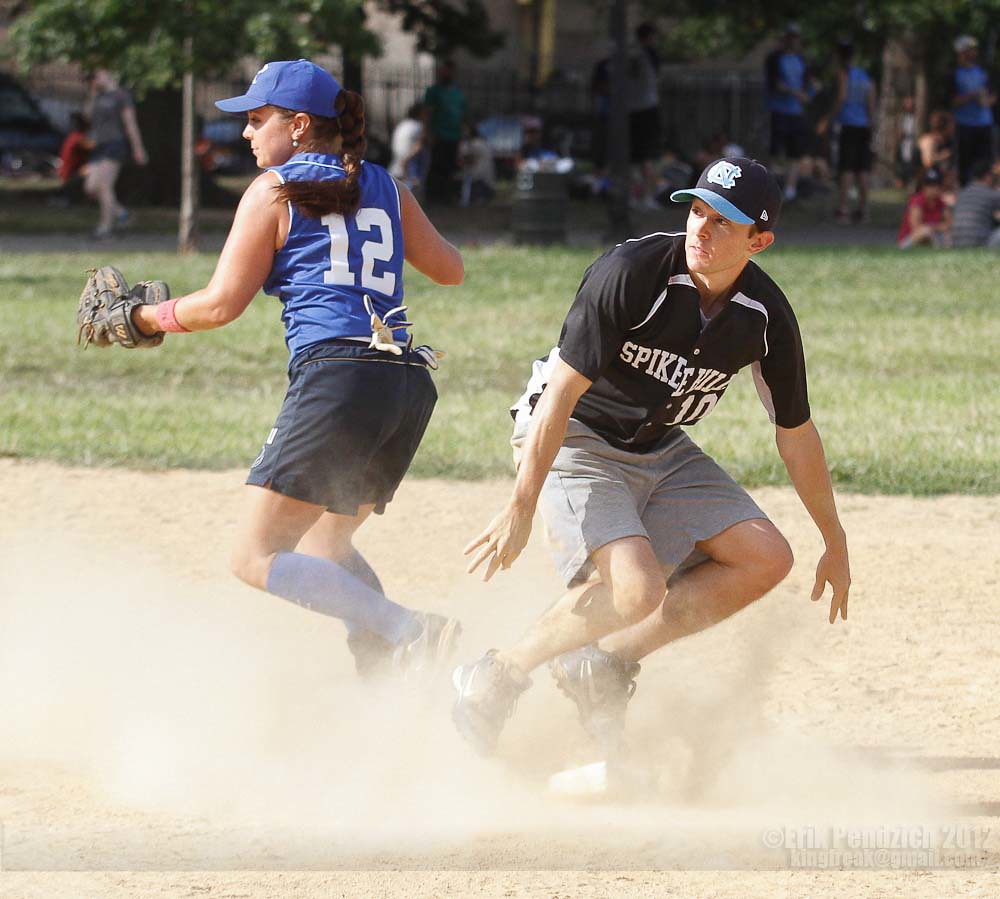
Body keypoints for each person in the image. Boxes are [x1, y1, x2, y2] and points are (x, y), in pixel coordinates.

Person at [451, 157, 851, 757]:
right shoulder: (632, 271)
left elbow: (795, 432)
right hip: (578, 436)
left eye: (723, 222)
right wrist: (522, 504)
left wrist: (835, 540)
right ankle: (500, 672)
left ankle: (603, 663)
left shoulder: (764, 317)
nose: (701, 230)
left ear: (759, 241)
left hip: (661, 446)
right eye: (697, 211)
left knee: (766, 557)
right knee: (637, 591)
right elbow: (559, 392)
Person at [123, 59, 465, 678]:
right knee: (325, 546)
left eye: (258, 120)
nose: (248, 133)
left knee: (255, 556)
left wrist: (145, 317)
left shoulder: (273, 189)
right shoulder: (387, 185)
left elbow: (221, 304)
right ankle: (383, 677)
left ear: (300, 125)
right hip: (405, 383)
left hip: (338, 378)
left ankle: (413, 632)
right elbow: (451, 269)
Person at [84, 69, 147, 239]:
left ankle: (105, 228)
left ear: (108, 74)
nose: (95, 79)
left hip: (115, 144)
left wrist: (138, 148)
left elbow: (130, 124)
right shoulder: (97, 96)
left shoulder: (121, 96)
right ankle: (122, 214)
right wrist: (92, 93)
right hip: (99, 145)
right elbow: (87, 116)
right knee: (90, 187)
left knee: (105, 187)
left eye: (97, 75)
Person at [818, 42, 876, 223]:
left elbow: (841, 97)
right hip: (864, 125)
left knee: (846, 168)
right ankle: (863, 209)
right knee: (863, 169)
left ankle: (843, 208)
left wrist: (827, 119)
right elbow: (871, 101)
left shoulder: (844, 73)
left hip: (847, 124)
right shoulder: (864, 76)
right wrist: (870, 122)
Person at [765, 23, 813, 201]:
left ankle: (790, 189)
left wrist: (808, 93)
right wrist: (795, 93)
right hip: (779, 110)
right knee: (776, 151)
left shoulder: (801, 59)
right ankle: (768, 187)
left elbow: (807, 82)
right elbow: (775, 83)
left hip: (796, 112)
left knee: (795, 153)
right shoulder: (775, 58)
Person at [950, 35, 996, 185]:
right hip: (965, 125)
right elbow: (952, 101)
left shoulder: (983, 71)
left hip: (984, 124)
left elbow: (993, 95)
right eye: (970, 50)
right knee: (964, 164)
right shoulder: (954, 73)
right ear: (962, 52)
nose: (973, 53)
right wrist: (972, 96)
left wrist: (987, 101)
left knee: (985, 163)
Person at [628, 21, 663, 210]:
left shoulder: (629, 54)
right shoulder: (648, 55)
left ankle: (637, 195)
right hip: (646, 107)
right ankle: (647, 196)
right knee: (647, 158)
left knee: (634, 159)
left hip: (632, 108)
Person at [423, 59, 466, 204]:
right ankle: (433, 196)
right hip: (439, 135)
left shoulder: (458, 94)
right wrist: (427, 133)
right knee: (436, 167)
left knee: (450, 168)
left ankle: (447, 196)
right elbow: (427, 113)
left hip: (453, 136)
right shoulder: (434, 92)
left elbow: (462, 116)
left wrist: (462, 135)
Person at [950, 158, 1000, 248]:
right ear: (987, 176)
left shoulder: (963, 193)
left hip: (957, 243)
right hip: (980, 243)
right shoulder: (991, 194)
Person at [897, 166, 951, 249]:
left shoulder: (940, 202)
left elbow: (949, 224)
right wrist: (936, 227)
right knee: (925, 231)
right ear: (924, 186)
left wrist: (933, 227)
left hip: (931, 236)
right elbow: (916, 227)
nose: (933, 189)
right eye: (930, 186)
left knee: (947, 235)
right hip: (909, 240)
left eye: (936, 185)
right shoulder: (917, 200)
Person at [389, 102, 427, 195]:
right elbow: (418, 146)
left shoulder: (403, 124)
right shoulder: (418, 126)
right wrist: (406, 160)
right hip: (408, 160)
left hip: (397, 158)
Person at [459, 122, 496, 206]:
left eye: (465, 130)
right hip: (485, 180)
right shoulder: (482, 142)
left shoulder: (475, 144)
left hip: (480, 180)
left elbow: (468, 159)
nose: (463, 132)